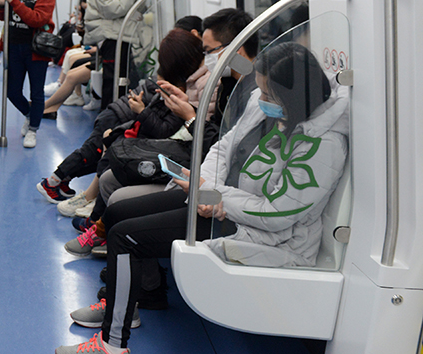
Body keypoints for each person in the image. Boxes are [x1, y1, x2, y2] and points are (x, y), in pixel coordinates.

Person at [55, 42, 348, 354]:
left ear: (292, 98)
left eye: (268, 95)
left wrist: (218, 199)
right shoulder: (268, 107)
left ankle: (112, 343)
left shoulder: (323, 146)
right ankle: (127, 301)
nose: (260, 99)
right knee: (118, 212)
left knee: (125, 237)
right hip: (222, 202)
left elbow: (279, 213)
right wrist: (206, 187)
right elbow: (224, 146)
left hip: (260, 231)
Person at [47, 10, 256, 216]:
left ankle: (90, 208)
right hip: (197, 158)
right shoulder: (227, 84)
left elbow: (221, 147)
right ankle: (87, 202)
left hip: (206, 171)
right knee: (111, 137)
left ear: (235, 50)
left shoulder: (244, 92)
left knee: (116, 157)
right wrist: (186, 107)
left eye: (209, 51)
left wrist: (188, 116)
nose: (207, 58)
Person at [0, 0, 56, 148]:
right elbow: (0, 14)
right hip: (13, 45)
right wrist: (2, 1)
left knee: (36, 93)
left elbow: (37, 19)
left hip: (35, 49)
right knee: (12, 91)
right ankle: (29, 114)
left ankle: (33, 129)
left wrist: (14, 1)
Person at [82, 0, 145, 109]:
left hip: (119, 34)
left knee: (123, 79)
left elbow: (129, 4)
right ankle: (109, 116)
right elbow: (113, 9)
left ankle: (119, 113)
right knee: (113, 80)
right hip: (110, 36)